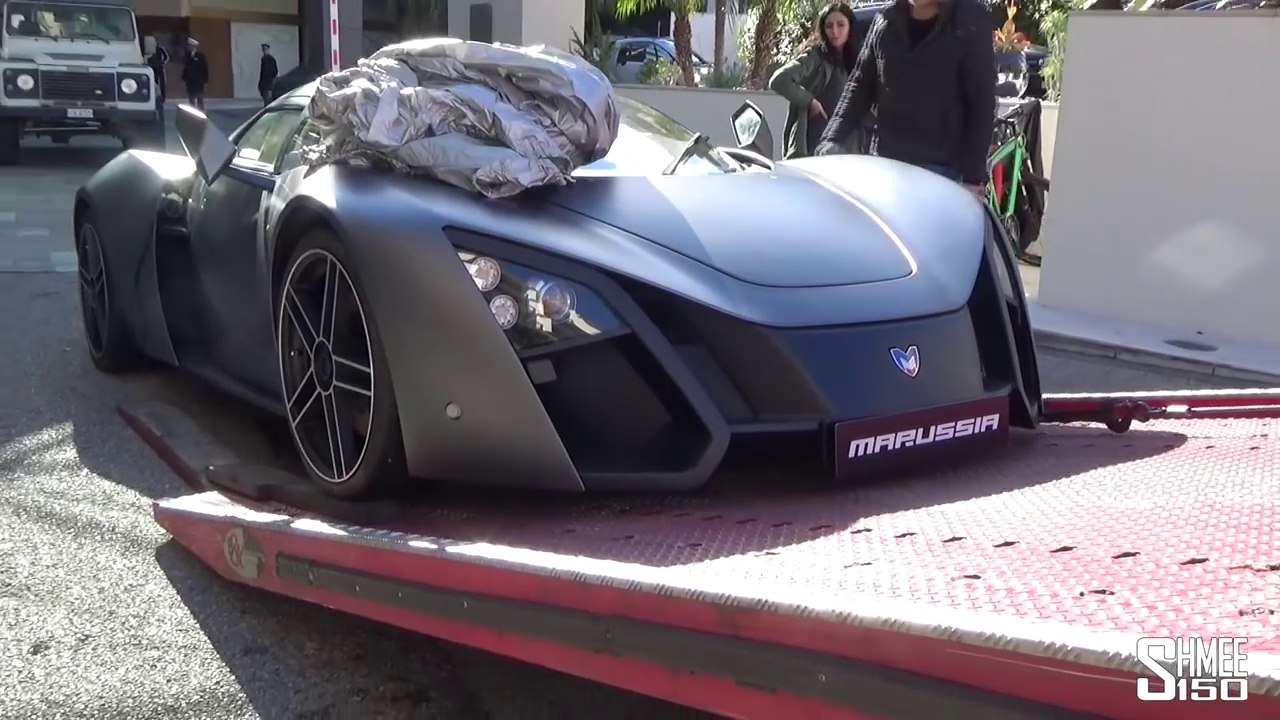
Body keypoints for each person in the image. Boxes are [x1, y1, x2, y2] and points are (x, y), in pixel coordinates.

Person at [815, 0, 996, 198]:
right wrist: (832, 140)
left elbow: (982, 102)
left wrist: (973, 178)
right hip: (887, 164)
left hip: (942, 172)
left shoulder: (970, 21)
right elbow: (859, 86)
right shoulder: (886, 21)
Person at [767, 3, 862, 159]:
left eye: (841, 25)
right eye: (829, 26)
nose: (835, 31)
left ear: (850, 27)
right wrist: (809, 101)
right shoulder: (816, 56)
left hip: (849, 149)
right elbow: (779, 80)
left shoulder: (857, 59)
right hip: (816, 148)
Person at [181, 37, 209, 110]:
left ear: (194, 46)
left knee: (199, 97)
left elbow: (204, 68)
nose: (189, 47)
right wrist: (184, 78)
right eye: (189, 45)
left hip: (199, 80)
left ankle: (201, 111)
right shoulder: (187, 56)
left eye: (190, 45)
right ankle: (193, 111)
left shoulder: (200, 56)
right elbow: (186, 67)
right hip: (190, 80)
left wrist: (206, 80)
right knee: (191, 97)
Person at [145, 37, 169, 110]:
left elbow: (167, 57)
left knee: (161, 83)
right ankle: (154, 97)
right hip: (152, 68)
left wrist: (163, 63)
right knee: (153, 83)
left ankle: (162, 97)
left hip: (159, 68)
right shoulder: (148, 50)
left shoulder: (160, 49)